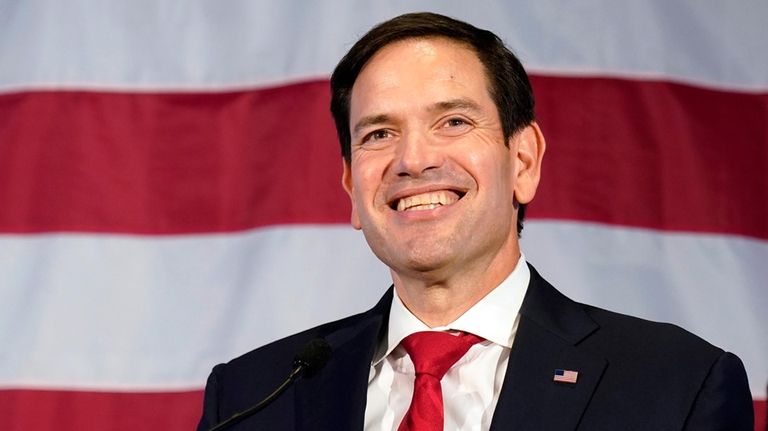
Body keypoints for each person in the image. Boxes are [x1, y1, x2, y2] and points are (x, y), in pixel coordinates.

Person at [197, 12, 753, 430]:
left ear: (524, 161)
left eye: (454, 121)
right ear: (351, 188)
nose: (413, 160)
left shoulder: (678, 386)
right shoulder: (253, 395)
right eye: (378, 134)